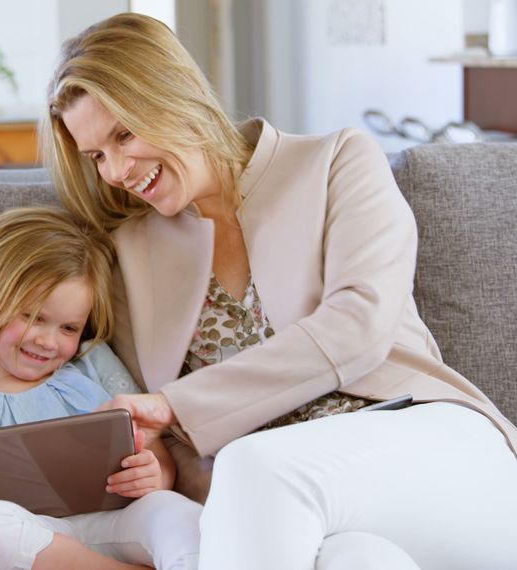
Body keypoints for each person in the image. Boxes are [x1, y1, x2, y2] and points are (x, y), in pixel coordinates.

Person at [42, 12, 517, 570]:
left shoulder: (337, 160)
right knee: (355, 561)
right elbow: (167, 442)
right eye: (96, 155)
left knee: (252, 466)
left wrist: (176, 405)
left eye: (124, 133)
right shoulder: (130, 253)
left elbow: (360, 326)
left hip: (435, 452)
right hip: (304, 514)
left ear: (180, 92)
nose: (117, 170)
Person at [0, 206, 203, 570]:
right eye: (34, 318)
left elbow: (156, 453)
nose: (48, 341)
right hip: (24, 541)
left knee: (180, 515)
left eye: (68, 328)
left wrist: (155, 475)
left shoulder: (93, 363)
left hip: (114, 524)